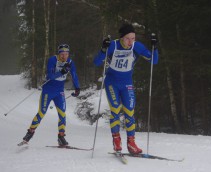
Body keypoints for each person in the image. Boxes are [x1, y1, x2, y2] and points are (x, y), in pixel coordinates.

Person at [94, 23, 158, 154]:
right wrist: (103, 49)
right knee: (116, 109)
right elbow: (96, 62)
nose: (131, 41)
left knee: (130, 111)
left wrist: (154, 47)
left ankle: (131, 143)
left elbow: (154, 61)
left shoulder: (137, 46)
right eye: (128, 38)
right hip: (112, 82)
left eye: (133, 38)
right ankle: (116, 140)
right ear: (122, 38)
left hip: (127, 83)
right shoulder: (113, 45)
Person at [21, 44, 80, 146]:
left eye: (66, 54)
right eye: (62, 54)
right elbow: (51, 76)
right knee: (41, 112)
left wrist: (77, 88)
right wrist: (62, 71)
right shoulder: (53, 60)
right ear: (59, 54)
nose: (64, 56)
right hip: (48, 91)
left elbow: (74, 75)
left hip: (59, 92)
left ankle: (61, 137)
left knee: (62, 114)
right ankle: (29, 133)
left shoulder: (70, 62)